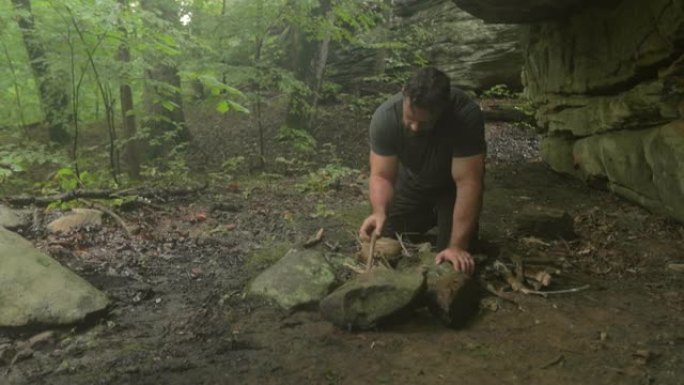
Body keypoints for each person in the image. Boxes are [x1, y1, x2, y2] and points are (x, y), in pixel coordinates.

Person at [358, 67, 486, 275]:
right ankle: (424, 219)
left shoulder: (464, 115)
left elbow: (468, 183)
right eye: (410, 118)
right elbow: (382, 176)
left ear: (442, 108)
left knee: (452, 259)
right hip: (412, 185)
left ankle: (446, 228)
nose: (415, 127)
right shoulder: (386, 117)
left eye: (424, 122)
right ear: (404, 94)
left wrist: (457, 245)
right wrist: (379, 211)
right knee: (385, 238)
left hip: (451, 190)